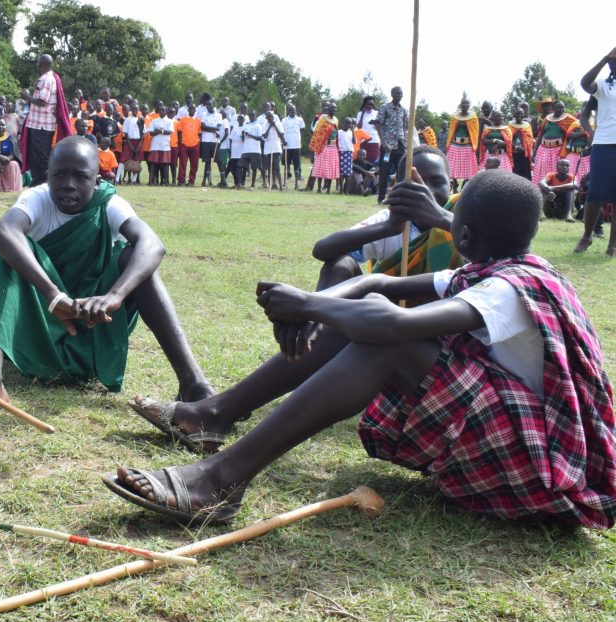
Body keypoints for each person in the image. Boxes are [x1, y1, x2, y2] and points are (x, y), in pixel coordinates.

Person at [108, 170, 616, 530]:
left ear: (460, 233)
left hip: (540, 467)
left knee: (384, 343)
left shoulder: (506, 290)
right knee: (363, 319)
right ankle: (213, 415)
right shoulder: (502, 267)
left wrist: (310, 302)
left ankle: (219, 480)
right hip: (516, 435)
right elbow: (373, 283)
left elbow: (394, 325)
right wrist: (313, 307)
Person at [0, 137, 214, 417]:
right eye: (60, 175)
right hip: (40, 334)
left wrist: (114, 296)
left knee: (133, 259)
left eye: (81, 177)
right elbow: (3, 232)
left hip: (95, 335)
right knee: (9, 251)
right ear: (47, 176)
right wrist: (54, 296)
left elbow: (152, 245)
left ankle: (193, 383)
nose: (68, 184)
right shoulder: (36, 199)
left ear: (97, 180)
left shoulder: (110, 204)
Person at [312, 145, 460, 290]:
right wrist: (388, 227)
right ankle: (315, 313)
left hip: (450, 311)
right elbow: (321, 250)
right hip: (388, 307)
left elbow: (482, 239)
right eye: (415, 183)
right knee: (340, 263)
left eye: (437, 182)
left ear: (451, 186)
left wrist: (438, 216)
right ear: (399, 185)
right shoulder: (393, 218)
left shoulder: (462, 213)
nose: (425, 192)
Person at [574, 48, 616, 255]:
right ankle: (587, 236)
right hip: (604, 144)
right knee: (596, 193)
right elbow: (584, 83)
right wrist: (605, 58)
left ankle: (613, 245)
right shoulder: (603, 86)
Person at [21, 54, 72, 187]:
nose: (36, 66)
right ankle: (37, 183)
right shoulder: (47, 78)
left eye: (38, 63)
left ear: (42, 65)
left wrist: (28, 98)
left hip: (42, 125)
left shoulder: (47, 79)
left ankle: (43, 183)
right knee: (36, 156)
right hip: (37, 123)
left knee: (41, 157)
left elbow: (43, 101)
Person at [373, 86, 409, 201]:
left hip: (400, 145)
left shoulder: (403, 110)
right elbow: (378, 124)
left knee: (401, 172)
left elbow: (405, 127)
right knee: (384, 172)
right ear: (392, 94)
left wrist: (406, 142)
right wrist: (383, 142)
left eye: (401, 94)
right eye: (398, 93)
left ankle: (400, 198)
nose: (400, 96)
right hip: (387, 146)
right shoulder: (385, 108)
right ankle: (381, 197)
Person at [533, 101, 580, 186]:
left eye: (563, 107)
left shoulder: (568, 119)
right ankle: (542, 190)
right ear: (553, 109)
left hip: (558, 150)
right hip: (543, 149)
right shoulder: (547, 118)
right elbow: (540, 135)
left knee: (556, 171)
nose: (562, 109)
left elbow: (578, 125)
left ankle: (555, 190)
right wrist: (535, 151)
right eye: (559, 107)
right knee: (542, 170)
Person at [446, 97, 480, 190]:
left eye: (466, 103)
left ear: (469, 105)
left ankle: (466, 187)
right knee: (452, 166)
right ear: (460, 104)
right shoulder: (455, 116)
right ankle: (454, 185)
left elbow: (475, 131)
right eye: (463, 103)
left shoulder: (473, 117)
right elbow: (452, 130)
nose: (464, 105)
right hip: (454, 144)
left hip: (467, 145)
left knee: (468, 168)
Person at [309, 103, 340, 194]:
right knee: (321, 168)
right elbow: (317, 132)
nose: (333, 110)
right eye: (331, 108)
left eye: (335, 108)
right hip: (323, 146)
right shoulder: (322, 119)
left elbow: (336, 134)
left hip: (333, 147)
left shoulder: (336, 120)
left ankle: (328, 190)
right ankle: (319, 188)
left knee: (330, 168)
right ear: (328, 109)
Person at [145, 103, 173, 187]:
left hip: (165, 145)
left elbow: (170, 132)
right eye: (160, 110)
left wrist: (160, 131)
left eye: (163, 110)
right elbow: (151, 133)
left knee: (165, 164)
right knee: (153, 163)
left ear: (166, 111)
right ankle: (151, 181)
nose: (161, 111)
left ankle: (166, 181)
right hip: (155, 145)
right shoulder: (154, 121)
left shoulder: (169, 121)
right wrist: (161, 131)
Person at [197, 100, 223, 187]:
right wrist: (214, 129)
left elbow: (219, 128)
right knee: (207, 162)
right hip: (205, 141)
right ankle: (206, 181)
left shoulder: (218, 115)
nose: (208, 106)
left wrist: (211, 129)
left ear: (214, 105)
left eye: (209, 105)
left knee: (219, 161)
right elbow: (203, 127)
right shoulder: (204, 114)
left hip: (215, 141)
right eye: (207, 105)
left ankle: (223, 181)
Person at [282, 103, 305, 189]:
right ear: (288, 111)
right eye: (290, 110)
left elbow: (302, 130)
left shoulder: (300, 120)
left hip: (296, 146)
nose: (292, 111)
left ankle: (296, 184)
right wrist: (283, 141)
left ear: (295, 111)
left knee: (296, 165)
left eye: (293, 110)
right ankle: (285, 183)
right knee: (286, 165)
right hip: (287, 146)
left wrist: (298, 139)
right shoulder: (284, 120)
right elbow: (281, 132)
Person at [508, 107, 535, 181]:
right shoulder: (510, 126)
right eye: (517, 114)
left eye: (521, 114)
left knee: (526, 173)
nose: (519, 115)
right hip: (514, 152)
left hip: (525, 153)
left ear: (524, 115)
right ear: (514, 115)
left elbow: (530, 139)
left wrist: (525, 148)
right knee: (515, 172)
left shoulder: (527, 125)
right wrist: (516, 147)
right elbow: (508, 139)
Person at [355, 95, 382, 165]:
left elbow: (380, 127)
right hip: (363, 141)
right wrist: (362, 114)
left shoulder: (376, 113)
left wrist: (376, 123)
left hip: (374, 140)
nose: (370, 106)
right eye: (368, 104)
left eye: (372, 105)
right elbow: (359, 127)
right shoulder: (360, 113)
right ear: (365, 104)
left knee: (374, 160)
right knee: (362, 160)